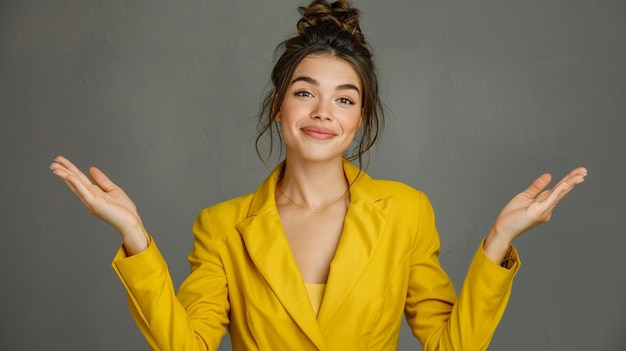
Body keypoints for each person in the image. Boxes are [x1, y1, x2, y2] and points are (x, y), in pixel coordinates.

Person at [50, 1, 588, 350]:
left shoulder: (405, 211)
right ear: (278, 108)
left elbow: (451, 346)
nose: (323, 111)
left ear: (360, 119)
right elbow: (186, 345)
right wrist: (135, 238)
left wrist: (499, 241)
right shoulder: (221, 227)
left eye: (345, 98)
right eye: (305, 92)